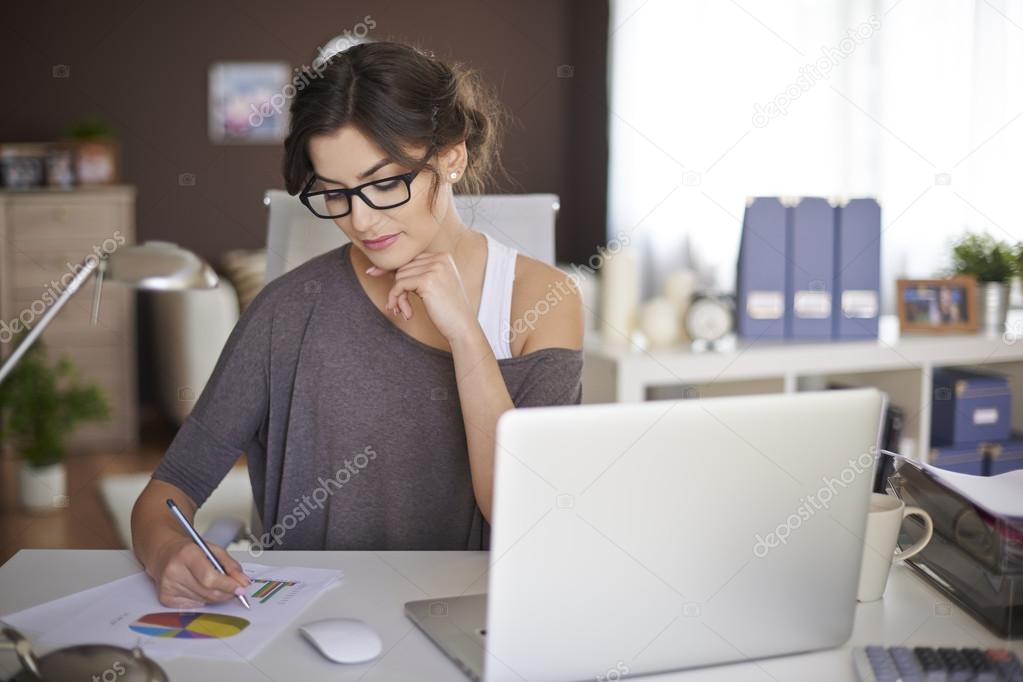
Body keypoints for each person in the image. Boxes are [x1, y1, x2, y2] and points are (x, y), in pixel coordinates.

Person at [130, 40, 584, 609]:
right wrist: (167, 550)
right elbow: (166, 495)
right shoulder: (286, 311)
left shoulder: (541, 300)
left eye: (385, 183)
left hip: (473, 621)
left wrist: (466, 335)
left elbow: (526, 516)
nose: (362, 220)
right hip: (309, 626)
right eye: (336, 194)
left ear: (452, 157)